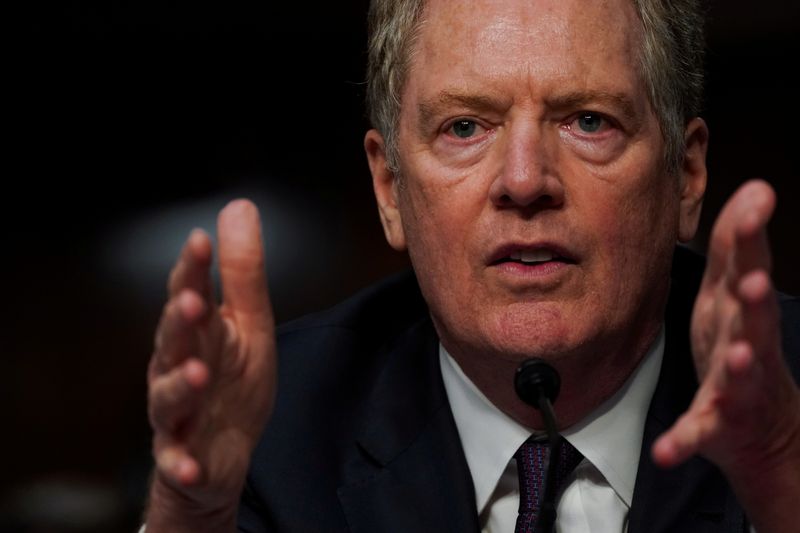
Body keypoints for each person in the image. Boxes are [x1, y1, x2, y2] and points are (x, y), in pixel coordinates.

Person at [143, 0, 800, 531]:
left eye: (589, 120)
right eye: (464, 127)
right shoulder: (278, 427)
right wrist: (192, 517)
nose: (523, 180)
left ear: (685, 175)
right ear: (387, 189)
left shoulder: (786, 399)